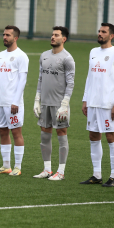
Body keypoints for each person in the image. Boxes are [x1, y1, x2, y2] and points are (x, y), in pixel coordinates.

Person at [80, 23, 114, 187]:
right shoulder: (93, 52)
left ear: (111, 35)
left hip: (108, 105)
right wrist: (85, 99)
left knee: (111, 137)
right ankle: (97, 174)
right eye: (99, 31)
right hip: (93, 103)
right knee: (93, 136)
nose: (100, 34)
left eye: (104, 32)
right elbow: (89, 77)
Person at [33, 26, 75, 180]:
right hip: (45, 103)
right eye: (52, 34)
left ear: (63, 39)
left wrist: (65, 104)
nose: (53, 37)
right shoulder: (44, 55)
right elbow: (40, 79)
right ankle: (47, 169)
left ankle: (61, 172)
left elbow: (70, 83)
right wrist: (37, 99)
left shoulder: (67, 58)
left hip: (59, 104)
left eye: (56, 35)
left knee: (61, 134)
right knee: (44, 134)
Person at [0, 25, 29, 176]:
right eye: (4, 34)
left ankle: (17, 167)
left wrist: (16, 101)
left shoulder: (21, 56)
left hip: (13, 103)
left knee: (16, 133)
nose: (5, 37)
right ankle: (6, 166)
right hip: (0, 102)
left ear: (15, 38)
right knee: (2, 132)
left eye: (8, 35)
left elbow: (22, 80)